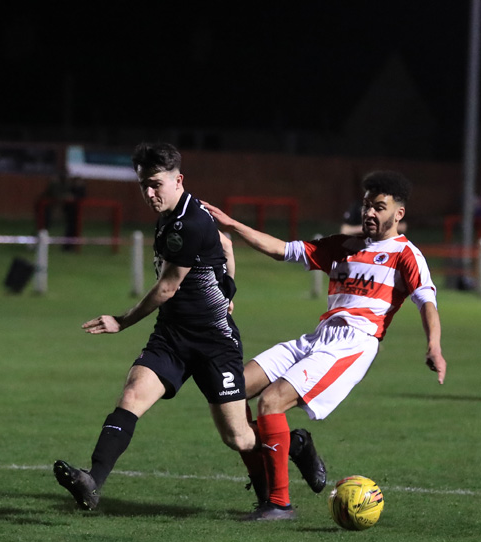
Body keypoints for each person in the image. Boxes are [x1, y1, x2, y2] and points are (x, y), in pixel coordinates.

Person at [52, 142, 324, 515]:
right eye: (143, 185)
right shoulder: (174, 213)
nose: (149, 193)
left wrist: (122, 320)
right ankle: (92, 481)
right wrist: (228, 287)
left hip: (214, 342)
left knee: (239, 437)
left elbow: (166, 287)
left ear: (178, 179)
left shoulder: (189, 222)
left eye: (155, 184)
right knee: (132, 395)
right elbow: (225, 244)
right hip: (172, 337)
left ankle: (294, 444)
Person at [203, 169, 446, 520]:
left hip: (353, 344)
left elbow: (427, 302)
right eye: (366, 205)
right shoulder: (342, 246)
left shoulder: (405, 255)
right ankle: (292, 451)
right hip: (318, 337)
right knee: (233, 392)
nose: (369, 213)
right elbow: (280, 250)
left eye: (379, 207)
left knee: (271, 403)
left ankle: (279, 504)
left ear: (398, 214)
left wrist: (434, 346)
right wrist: (231, 223)